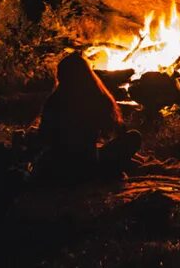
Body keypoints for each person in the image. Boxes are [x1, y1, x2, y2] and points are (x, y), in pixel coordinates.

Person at [35, 53, 142, 181]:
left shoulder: (54, 100)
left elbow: (43, 136)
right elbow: (118, 130)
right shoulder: (98, 97)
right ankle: (110, 169)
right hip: (88, 164)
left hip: (58, 166)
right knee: (134, 137)